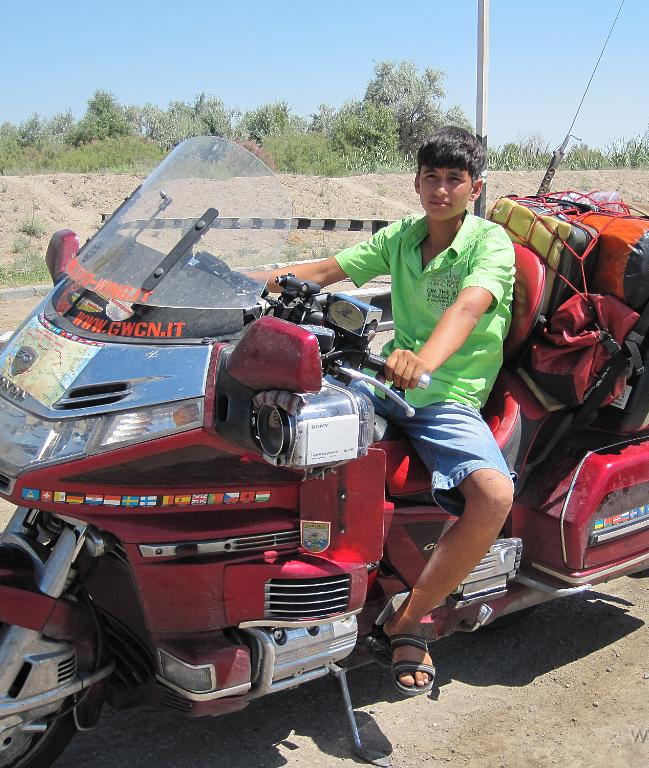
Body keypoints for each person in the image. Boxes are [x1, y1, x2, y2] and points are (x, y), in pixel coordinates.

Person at [250, 126, 515, 696]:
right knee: (290, 425)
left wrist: (422, 360)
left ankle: (412, 617)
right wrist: (227, 285)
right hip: (385, 379)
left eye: (454, 180)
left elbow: (469, 307)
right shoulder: (403, 235)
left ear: (475, 186)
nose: (440, 190)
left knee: (493, 494)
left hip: (447, 395)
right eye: (431, 178)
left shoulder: (490, 244)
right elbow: (324, 270)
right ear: (416, 182)